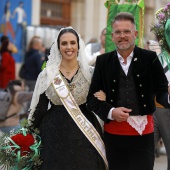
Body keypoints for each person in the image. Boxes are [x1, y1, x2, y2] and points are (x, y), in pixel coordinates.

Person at [86, 12, 170, 170]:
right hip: (113, 137)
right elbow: (92, 99)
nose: (122, 36)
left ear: (135, 34)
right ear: (112, 36)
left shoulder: (150, 58)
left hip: (144, 137)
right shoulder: (103, 61)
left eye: (126, 31)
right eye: (118, 32)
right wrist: (111, 111)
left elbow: (161, 94)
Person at [27, 26, 108, 170]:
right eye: (64, 43)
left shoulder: (91, 73)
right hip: (53, 135)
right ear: (58, 47)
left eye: (72, 42)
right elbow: (40, 108)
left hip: (84, 135)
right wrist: (27, 134)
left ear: (78, 45)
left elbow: (96, 105)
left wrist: (104, 98)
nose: (69, 47)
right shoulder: (47, 75)